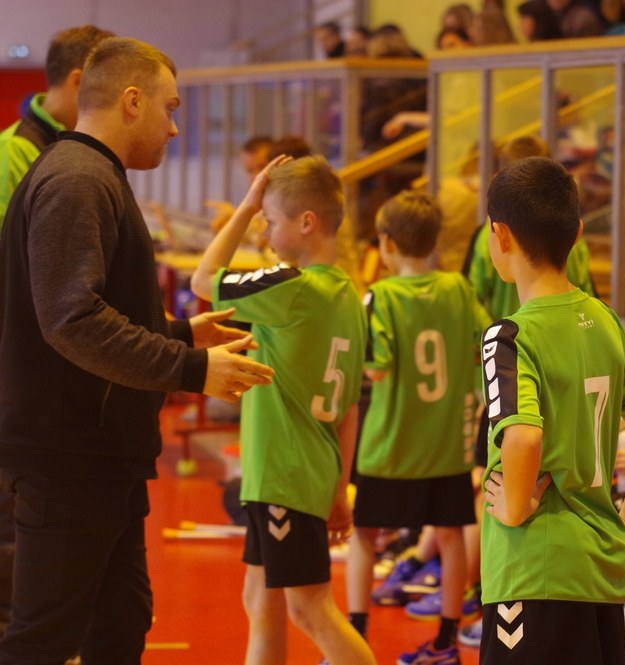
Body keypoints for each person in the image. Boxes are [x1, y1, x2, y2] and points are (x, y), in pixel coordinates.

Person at [0, 37, 274, 664]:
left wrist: (181, 335)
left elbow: (95, 315)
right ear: (131, 102)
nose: (174, 128)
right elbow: (71, 320)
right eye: (169, 109)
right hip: (68, 454)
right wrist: (190, 367)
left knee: (120, 623)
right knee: (43, 639)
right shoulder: (76, 179)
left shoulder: (91, 174)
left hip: (99, 453)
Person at [475, 155, 625, 665]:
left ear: (500, 236)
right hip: (598, 572)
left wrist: (515, 506)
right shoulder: (603, 319)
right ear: (578, 234)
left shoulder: (509, 336)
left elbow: (523, 435)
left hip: (532, 573)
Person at [190, 155, 374, 665]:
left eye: (270, 221)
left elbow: (204, 281)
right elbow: (349, 410)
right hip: (302, 474)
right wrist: (338, 490)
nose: (264, 232)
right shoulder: (349, 297)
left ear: (306, 222)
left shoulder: (294, 286)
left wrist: (247, 205)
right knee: (260, 601)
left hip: (284, 474)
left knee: (310, 611)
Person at [0, 24, 115, 642]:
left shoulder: (69, 154)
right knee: (14, 533)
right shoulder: (22, 157)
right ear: (79, 80)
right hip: (21, 383)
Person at [345, 191, 490, 664]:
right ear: (433, 242)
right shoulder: (459, 289)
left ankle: (354, 642)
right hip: (447, 446)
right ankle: (447, 643)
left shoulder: (381, 296)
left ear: (386, 243)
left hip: (390, 447)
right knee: (450, 536)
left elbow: (377, 367)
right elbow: (488, 343)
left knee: (365, 535)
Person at [466, 136, 597, 319]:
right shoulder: (570, 232)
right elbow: (586, 294)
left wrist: (493, 333)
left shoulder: (490, 234)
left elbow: (472, 300)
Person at [0, 25, 114, 227]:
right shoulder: (15, 148)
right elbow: (7, 240)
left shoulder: (79, 140)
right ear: (79, 81)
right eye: (109, 87)